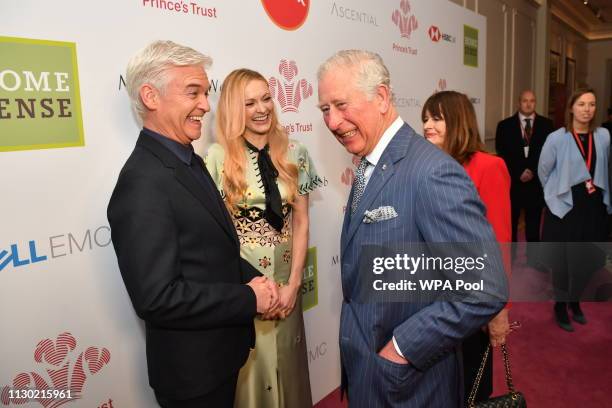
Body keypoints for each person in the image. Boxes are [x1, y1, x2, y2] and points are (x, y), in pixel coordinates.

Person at [317, 49, 506, 407]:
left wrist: (403, 347)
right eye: (325, 109)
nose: (333, 121)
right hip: (368, 368)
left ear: (383, 97)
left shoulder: (432, 171)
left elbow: (485, 288)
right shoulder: (370, 163)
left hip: (410, 382)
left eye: (342, 105)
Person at [107, 41, 279, 408]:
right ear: (150, 96)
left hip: (220, 358)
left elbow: (212, 248)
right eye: (193, 92)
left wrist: (255, 278)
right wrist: (249, 298)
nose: (205, 104)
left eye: (205, 92)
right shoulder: (143, 182)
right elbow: (158, 297)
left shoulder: (187, 159)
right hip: (193, 377)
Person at [206, 68, 320, 408]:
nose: (261, 109)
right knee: (251, 372)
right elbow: (216, 236)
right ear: (232, 109)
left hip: (288, 282)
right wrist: (250, 290)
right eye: (249, 102)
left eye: (266, 98)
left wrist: (294, 284)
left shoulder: (296, 151)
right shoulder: (216, 157)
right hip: (244, 285)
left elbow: (301, 220)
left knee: (288, 366)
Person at [422, 90, 512, 403]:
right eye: (424, 118)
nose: (427, 125)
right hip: (431, 296)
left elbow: (499, 240)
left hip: (472, 296)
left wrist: (498, 308)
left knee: (471, 384)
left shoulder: (489, 166)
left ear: (458, 120)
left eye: (436, 118)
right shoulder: (426, 167)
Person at [539, 88, 612, 332]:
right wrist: (553, 198)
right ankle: (560, 306)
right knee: (562, 262)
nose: (587, 109)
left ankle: (574, 300)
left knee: (587, 261)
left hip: (593, 208)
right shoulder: (557, 138)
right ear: (571, 107)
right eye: (581, 104)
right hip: (565, 208)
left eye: (591, 104)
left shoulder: (603, 136)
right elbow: (544, 172)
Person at [495, 90, 554, 264]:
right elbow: (502, 152)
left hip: (536, 183)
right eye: (525, 101)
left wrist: (533, 171)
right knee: (511, 223)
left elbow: (549, 153)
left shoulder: (547, 125)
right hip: (513, 182)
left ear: (535, 103)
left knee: (534, 223)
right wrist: (519, 171)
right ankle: (510, 258)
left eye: (532, 101)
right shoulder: (504, 126)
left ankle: (534, 260)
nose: (528, 104)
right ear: (518, 103)